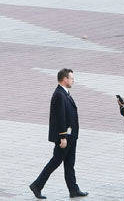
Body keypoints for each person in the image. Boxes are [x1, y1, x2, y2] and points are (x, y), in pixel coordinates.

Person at [29, 68, 86, 199]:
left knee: (69, 164)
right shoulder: (59, 95)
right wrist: (63, 136)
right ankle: (37, 185)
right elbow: (60, 117)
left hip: (71, 136)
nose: (73, 80)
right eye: (71, 78)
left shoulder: (64, 93)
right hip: (65, 137)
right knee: (55, 161)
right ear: (65, 79)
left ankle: (73, 189)